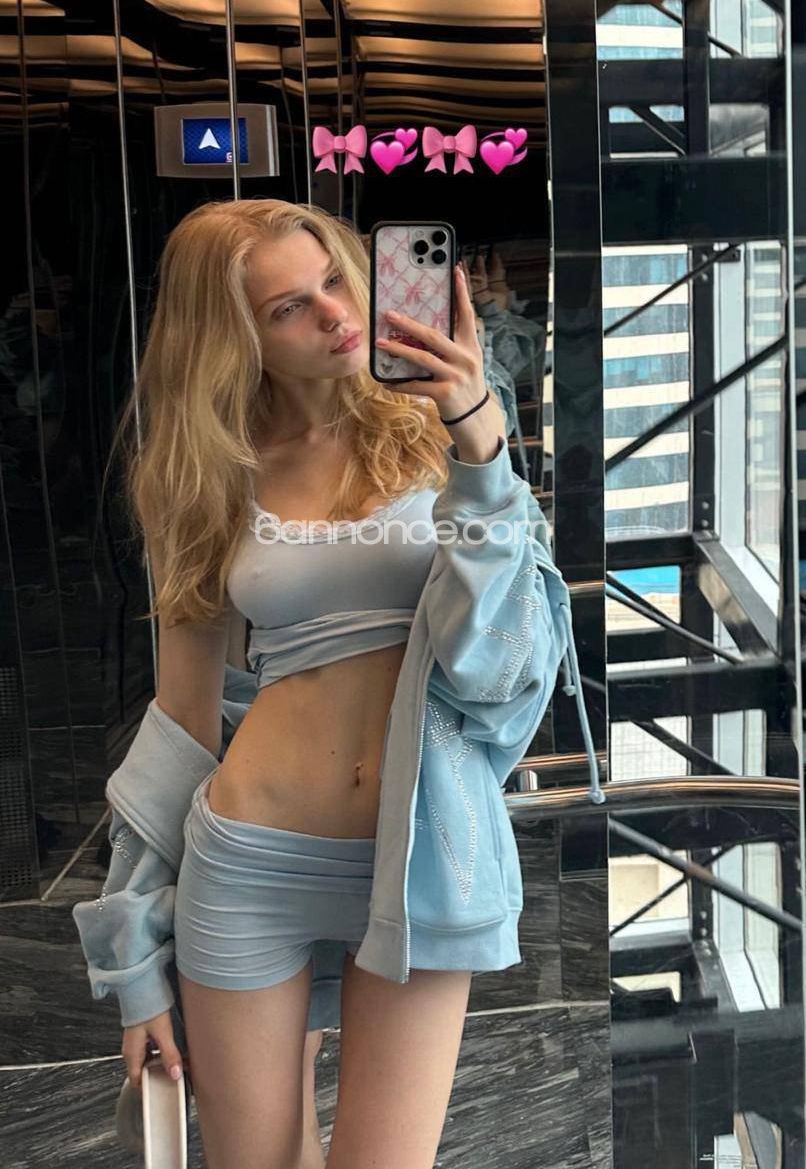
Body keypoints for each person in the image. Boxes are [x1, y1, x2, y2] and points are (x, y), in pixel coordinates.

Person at [73, 199, 604, 1169]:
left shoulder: (441, 428)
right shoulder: (209, 474)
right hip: (247, 860)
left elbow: (501, 663)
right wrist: (133, 966)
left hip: (421, 861)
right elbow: (180, 724)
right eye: (288, 307)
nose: (333, 313)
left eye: (332, 280)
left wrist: (480, 444)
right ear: (235, 340)